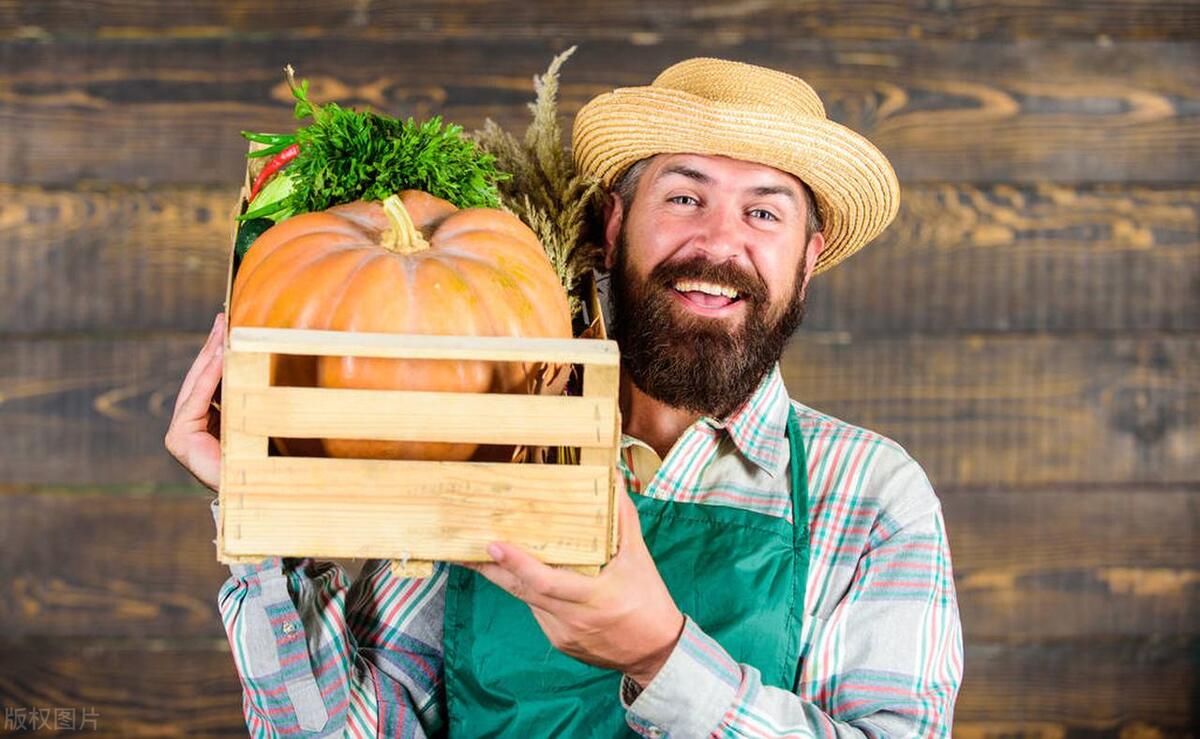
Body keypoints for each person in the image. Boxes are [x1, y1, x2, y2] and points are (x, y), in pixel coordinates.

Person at [166, 57, 963, 737]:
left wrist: (661, 653)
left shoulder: (872, 496)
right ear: (612, 227)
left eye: (763, 212)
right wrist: (259, 522)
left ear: (808, 259)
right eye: (684, 198)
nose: (720, 243)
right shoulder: (489, 442)